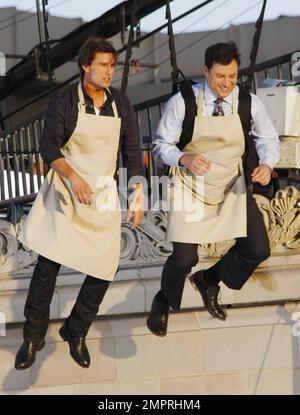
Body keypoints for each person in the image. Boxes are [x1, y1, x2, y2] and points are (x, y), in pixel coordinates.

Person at [15, 36, 144, 369]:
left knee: (105, 267)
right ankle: (33, 335)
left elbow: (132, 154)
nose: (108, 72)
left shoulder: (121, 104)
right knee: (48, 266)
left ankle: (76, 328)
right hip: (66, 191)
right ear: (85, 65)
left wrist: (138, 193)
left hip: (101, 194)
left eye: (112, 66)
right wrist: (73, 178)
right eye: (102, 65)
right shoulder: (65, 100)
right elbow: (49, 149)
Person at [147, 42, 280, 337]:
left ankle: (209, 280)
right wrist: (184, 157)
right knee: (184, 259)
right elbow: (159, 146)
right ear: (206, 71)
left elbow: (268, 140)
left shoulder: (249, 103)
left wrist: (268, 165)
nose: (226, 83)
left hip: (230, 184)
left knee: (257, 248)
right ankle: (163, 301)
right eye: (221, 76)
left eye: (232, 76)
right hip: (189, 186)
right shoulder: (183, 102)